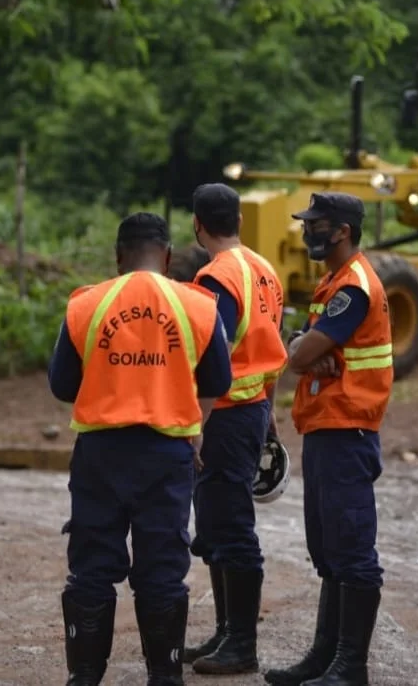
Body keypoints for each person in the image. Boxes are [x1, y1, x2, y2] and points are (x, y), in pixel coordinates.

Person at [48, 211, 233, 686]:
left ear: (117, 256)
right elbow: (218, 380)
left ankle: (85, 677)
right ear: (169, 257)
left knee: (91, 566)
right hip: (166, 456)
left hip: (100, 455)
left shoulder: (86, 304)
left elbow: (62, 384)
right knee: (162, 569)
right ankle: (164, 676)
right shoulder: (197, 306)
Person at [264, 192, 393, 686]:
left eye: (315, 224)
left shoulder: (354, 286)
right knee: (328, 547)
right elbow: (299, 347)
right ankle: (325, 656)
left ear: (342, 230)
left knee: (352, 548)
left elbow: (296, 354)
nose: (306, 231)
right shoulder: (333, 282)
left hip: (347, 429)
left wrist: (302, 349)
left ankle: (350, 666)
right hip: (324, 427)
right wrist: (302, 347)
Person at [182, 183, 288, 676]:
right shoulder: (265, 271)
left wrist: (194, 423)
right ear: (240, 221)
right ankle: (227, 633)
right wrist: (268, 412)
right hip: (251, 410)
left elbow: (212, 356)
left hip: (222, 415)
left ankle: (240, 643)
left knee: (231, 526)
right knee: (220, 523)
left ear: (197, 225)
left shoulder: (215, 278)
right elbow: (270, 349)